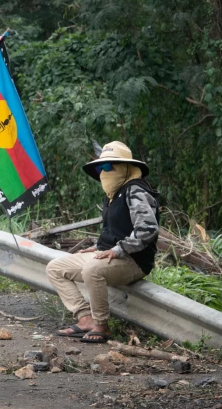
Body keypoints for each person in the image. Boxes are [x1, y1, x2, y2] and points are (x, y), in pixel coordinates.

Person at [45, 141, 160, 343]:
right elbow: (114, 229)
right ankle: (85, 318)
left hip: (133, 261)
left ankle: (102, 325)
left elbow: (147, 230)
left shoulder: (136, 191)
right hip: (110, 255)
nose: (103, 172)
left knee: (92, 269)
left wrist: (118, 250)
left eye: (108, 166)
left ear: (126, 168)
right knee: (55, 267)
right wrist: (100, 247)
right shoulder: (112, 195)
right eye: (100, 167)